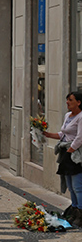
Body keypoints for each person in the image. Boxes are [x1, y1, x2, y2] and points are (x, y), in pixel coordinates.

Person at [43, 90, 82, 225]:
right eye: (67, 100)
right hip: (66, 151)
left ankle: (80, 213)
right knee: (70, 186)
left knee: (77, 186)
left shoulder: (81, 117)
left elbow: (80, 137)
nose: (67, 102)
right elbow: (63, 134)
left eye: (70, 100)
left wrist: (70, 151)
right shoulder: (67, 116)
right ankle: (74, 210)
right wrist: (48, 135)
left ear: (79, 102)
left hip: (75, 154)